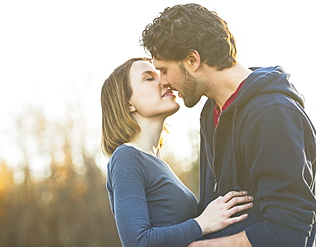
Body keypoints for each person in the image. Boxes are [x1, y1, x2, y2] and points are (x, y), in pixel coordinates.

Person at [141, 3, 316, 247]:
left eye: (164, 70)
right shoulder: (210, 112)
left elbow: (289, 232)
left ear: (192, 59)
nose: (164, 82)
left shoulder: (273, 113)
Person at [101, 57, 254, 247]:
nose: (164, 82)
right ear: (128, 103)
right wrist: (202, 223)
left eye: (160, 75)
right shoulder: (126, 158)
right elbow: (137, 242)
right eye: (149, 78)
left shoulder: (156, 161)